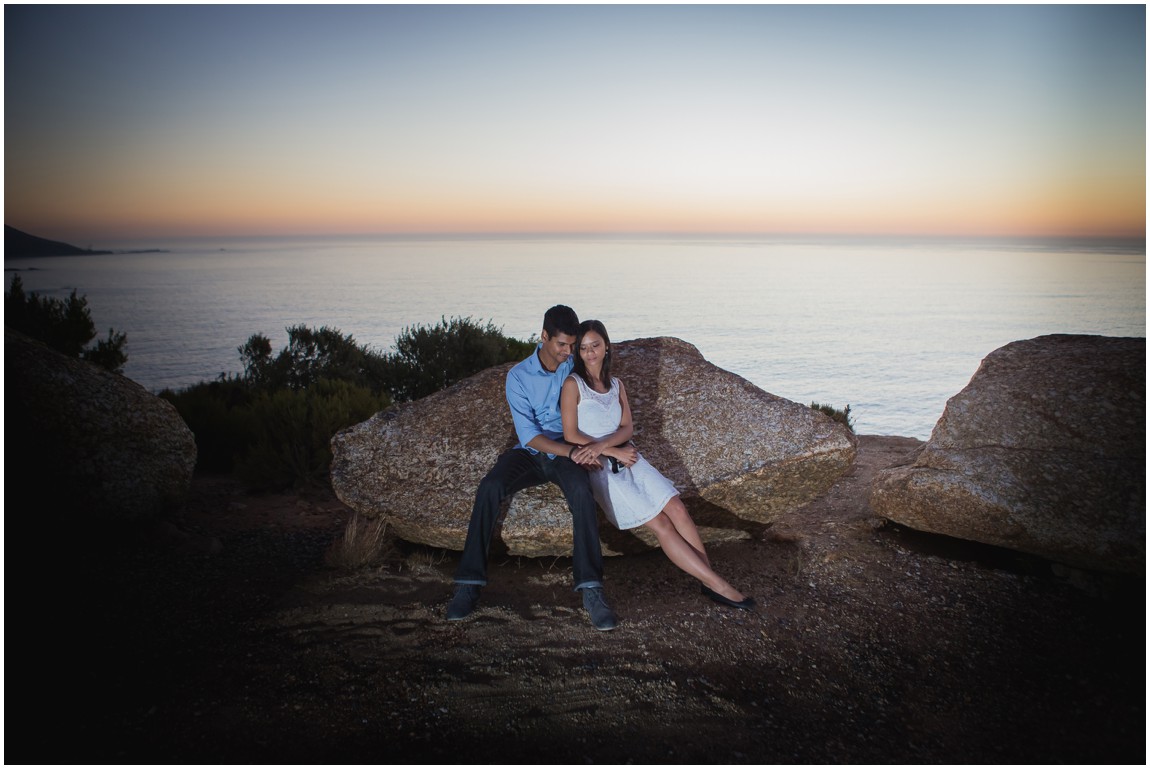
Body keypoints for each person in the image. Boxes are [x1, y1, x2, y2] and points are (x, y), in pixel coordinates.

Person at [560, 319, 754, 611]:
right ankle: (719, 585)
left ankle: (707, 579)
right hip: (602, 468)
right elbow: (571, 434)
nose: (589, 353)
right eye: (584, 348)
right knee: (661, 523)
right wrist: (609, 451)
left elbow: (627, 427)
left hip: (629, 457)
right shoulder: (573, 385)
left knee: (676, 506)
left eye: (595, 345)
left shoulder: (615, 385)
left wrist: (610, 446)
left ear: (606, 346)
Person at [446, 305, 618, 631]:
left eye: (573, 345)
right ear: (543, 337)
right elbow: (529, 436)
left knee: (582, 494)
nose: (570, 352)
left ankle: (592, 591)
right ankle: (468, 584)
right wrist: (572, 451)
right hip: (532, 451)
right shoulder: (519, 377)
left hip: (569, 451)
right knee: (490, 487)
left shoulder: (574, 366)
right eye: (562, 345)